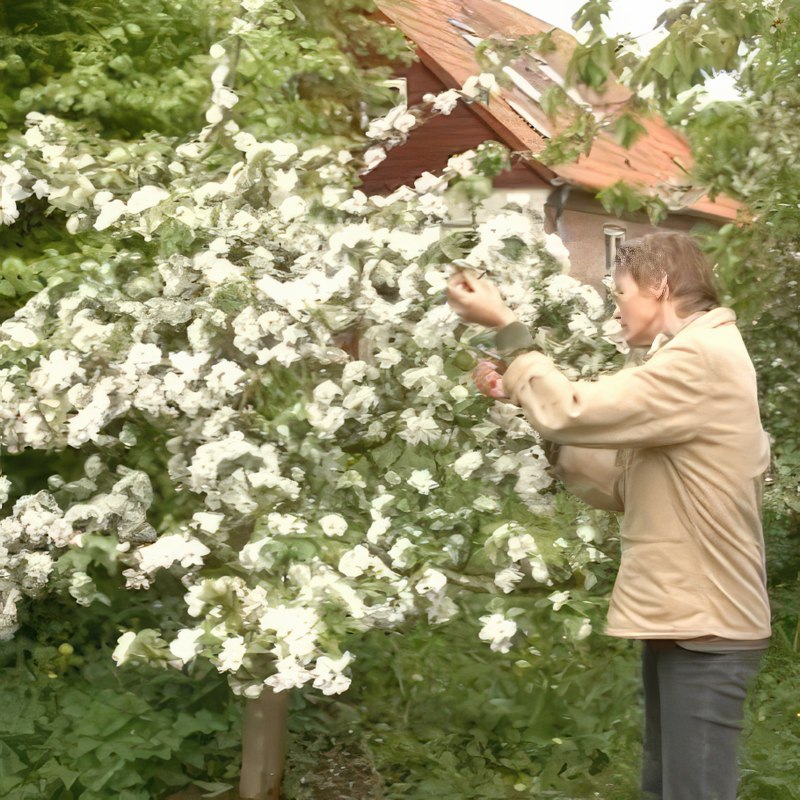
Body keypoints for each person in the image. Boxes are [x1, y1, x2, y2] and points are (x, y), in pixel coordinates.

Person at [446, 231, 771, 800]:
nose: (614, 306)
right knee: (665, 787)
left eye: (619, 292)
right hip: (686, 616)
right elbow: (624, 480)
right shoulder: (694, 355)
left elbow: (572, 409)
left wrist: (506, 327)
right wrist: (523, 399)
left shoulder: (701, 358)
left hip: (708, 621)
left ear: (660, 286)